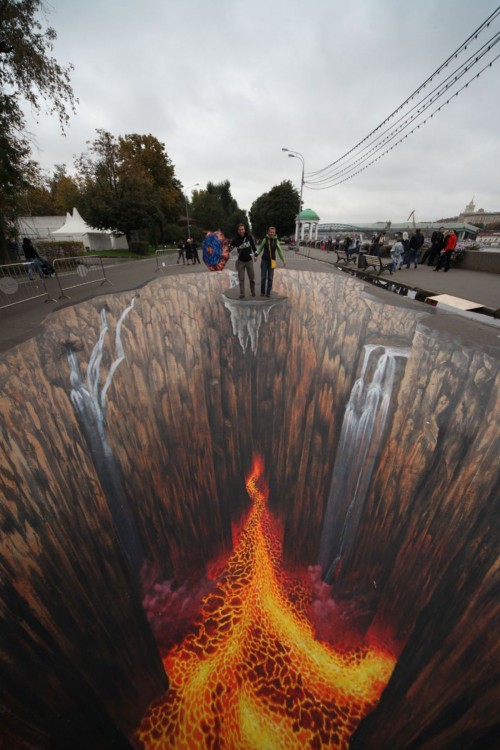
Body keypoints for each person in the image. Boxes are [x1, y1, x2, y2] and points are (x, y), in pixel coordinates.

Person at [256, 226, 286, 298]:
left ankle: (268, 292)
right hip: (264, 261)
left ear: (275, 233)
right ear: (268, 232)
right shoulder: (265, 240)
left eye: (273, 232)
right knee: (263, 277)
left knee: (270, 278)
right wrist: (256, 255)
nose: (272, 233)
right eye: (271, 232)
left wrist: (283, 260)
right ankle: (262, 292)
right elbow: (260, 249)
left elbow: (279, 251)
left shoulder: (276, 241)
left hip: (272, 261)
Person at [230, 222, 258, 298]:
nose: (241, 231)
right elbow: (230, 248)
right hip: (241, 261)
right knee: (241, 279)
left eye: (242, 229)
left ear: (244, 230)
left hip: (249, 261)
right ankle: (242, 293)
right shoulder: (235, 239)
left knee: (252, 278)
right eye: (239, 230)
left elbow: (253, 247)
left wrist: (256, 255)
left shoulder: (249, 237)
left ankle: (253, 291)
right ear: (237, 230)